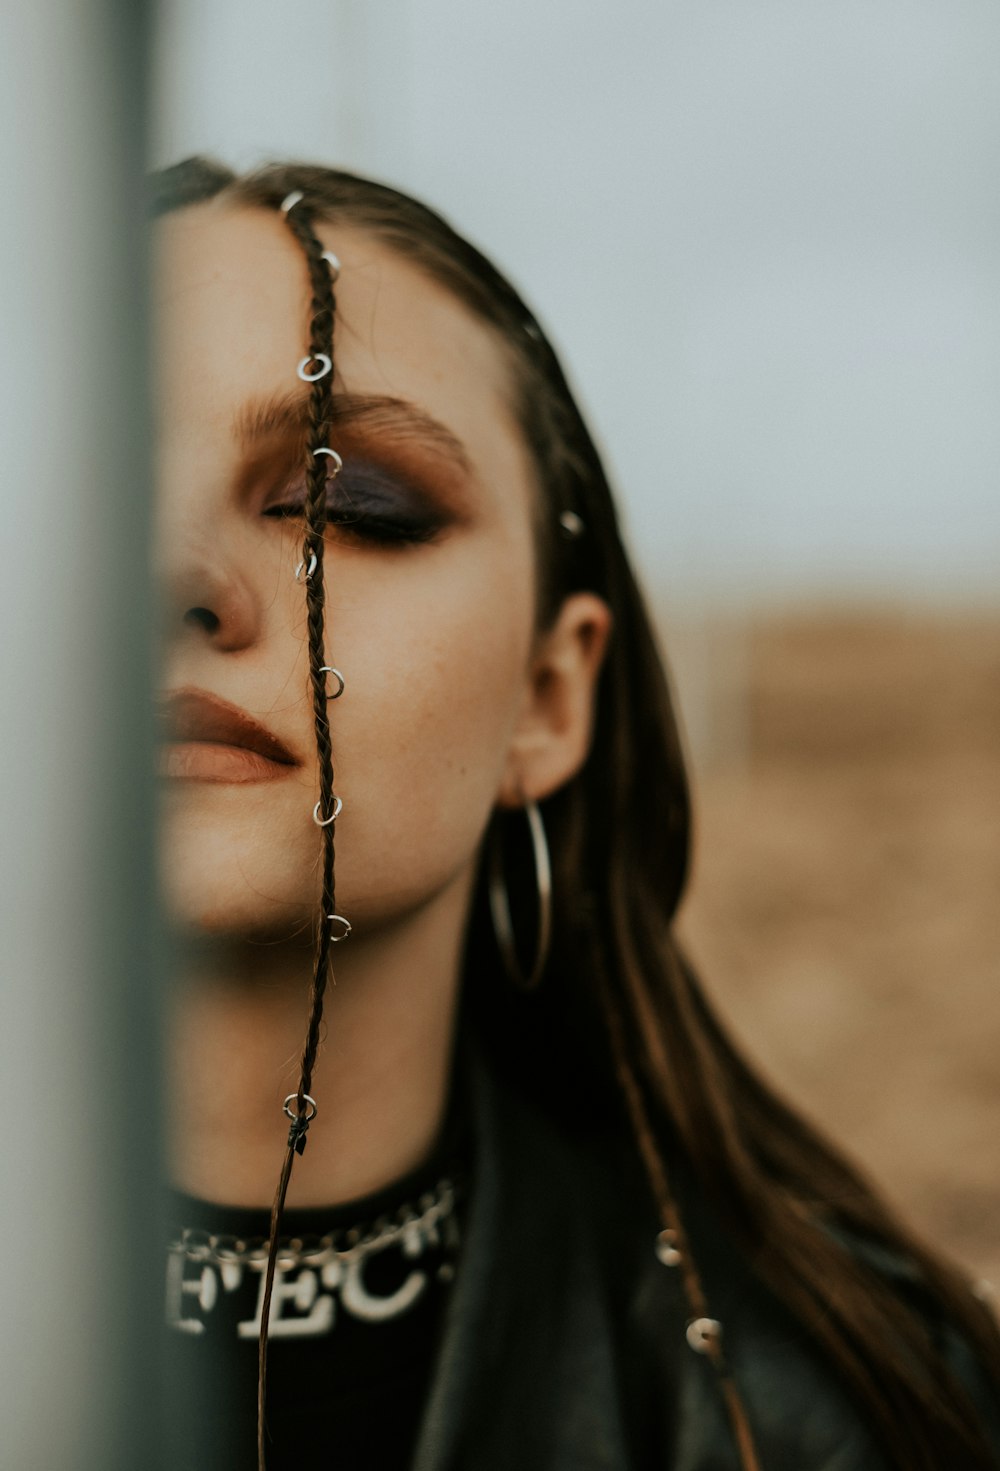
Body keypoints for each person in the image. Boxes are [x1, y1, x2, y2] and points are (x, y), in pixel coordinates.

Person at [151, 158, 1000, 1471]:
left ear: (550, 697)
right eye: (70, 503)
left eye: (347, 502)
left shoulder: (833, 1424)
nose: (178, 571)